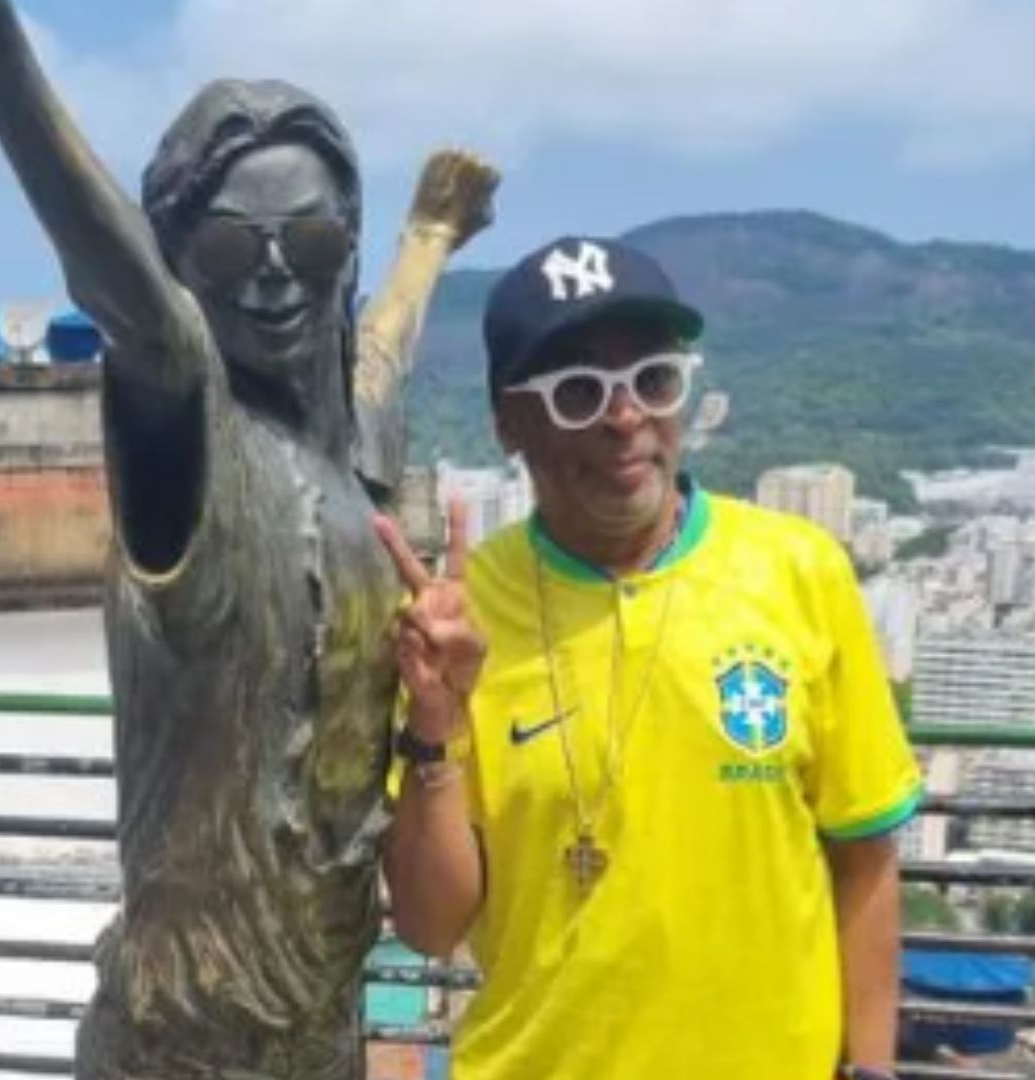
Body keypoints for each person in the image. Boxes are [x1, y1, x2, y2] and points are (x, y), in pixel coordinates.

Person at [0, 3, 496, 1077]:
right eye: (234, 243)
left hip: (322, 1028)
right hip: (178, 1050)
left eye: (315, 239)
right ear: (181, 258)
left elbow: (380, 355)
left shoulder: (346, 453)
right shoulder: (197, 434)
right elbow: (123, 289)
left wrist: (429, 239)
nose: (277, 271)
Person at [375, 235, 922, 1080]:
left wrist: (873, 1071)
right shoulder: (457, 620)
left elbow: (865, 859)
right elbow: (430, 925)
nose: (625, 418)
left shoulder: (799, 572)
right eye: (578, 393)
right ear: (507, 421)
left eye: (654, 380)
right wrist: (436, 724)